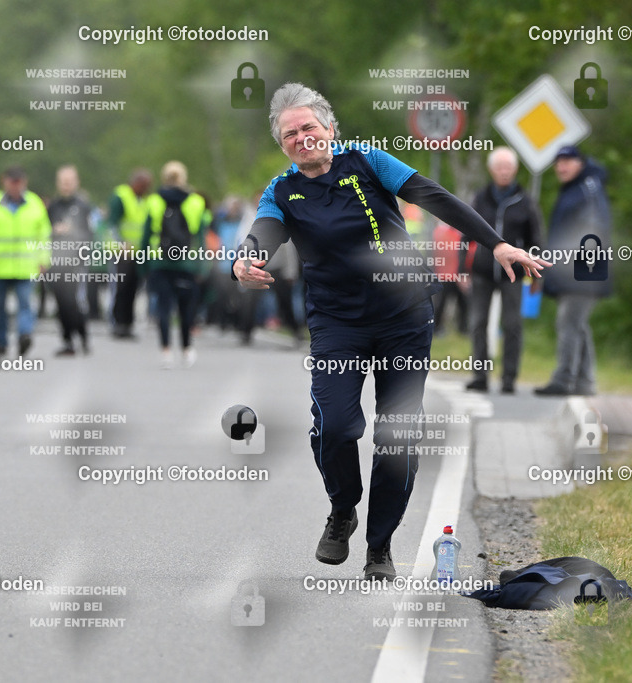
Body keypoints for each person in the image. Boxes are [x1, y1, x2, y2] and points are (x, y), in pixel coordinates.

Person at [233, 83, 549, 580]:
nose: (302, 138)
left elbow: (437, 198)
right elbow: (261, 235)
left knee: (397, 436)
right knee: (336, 427)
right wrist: (244, 261)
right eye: (291, 134)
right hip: (337, 323)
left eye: (309, 128)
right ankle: (343, 509)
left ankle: (379, 547)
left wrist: (497, 245)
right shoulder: (283, 191)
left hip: (404, 317)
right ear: (284, 145)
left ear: (330, 129)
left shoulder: (368, 162)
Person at [464, 147, 544, 394]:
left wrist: (536, 273)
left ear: (515, 169)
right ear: (491, 170)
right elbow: (465, 235)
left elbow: (536, 240)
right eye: (499, 166)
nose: (504, 171)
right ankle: (480, 375)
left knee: (512, 325)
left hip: (513, 274)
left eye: (508, 167)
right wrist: (461, 270)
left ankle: (509, 378)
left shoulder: (526, 202)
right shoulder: (480, 198)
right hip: (482, 272)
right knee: (478, 323)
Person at [535, 145, 612, 396]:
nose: (561, 166)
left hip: (583, 269)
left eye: (568, 161)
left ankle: (564, 380)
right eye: (558, 162)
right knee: (577, 324)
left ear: (581, 162)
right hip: (572, 267)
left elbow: (595, 226)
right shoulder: (574, 189)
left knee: (568, 323)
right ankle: (585, 382)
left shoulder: (588, 188)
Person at [0, 166, 51, 355]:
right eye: (11, 182)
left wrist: (43, 259)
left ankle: (24, 334)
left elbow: (43, 235)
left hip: (26, 267)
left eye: (18, 182)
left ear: (24, 182)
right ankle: (1, 341)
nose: (15, 186)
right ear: (4, 182)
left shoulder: (34, 204)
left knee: (25, 304)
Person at [142, 161, 210, 368]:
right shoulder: (195, 202)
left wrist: (144, 264)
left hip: (160, 261)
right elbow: (200, 236)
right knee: (186, 308)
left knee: (163, 307)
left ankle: (166, 351)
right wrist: (201, 264)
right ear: (183, 178)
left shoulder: (154, 201)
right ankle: (187, 349)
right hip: (185, 262)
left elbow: (146, 235)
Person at [46, 165, 94, 356]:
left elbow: (89, 235)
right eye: (63, 181)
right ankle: (67, 340)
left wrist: (73, 234)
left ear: (76, 183)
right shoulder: (53, 206)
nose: (66, 185)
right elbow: (44, 231)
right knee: (60, 303)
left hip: (75, 262)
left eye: (69, 181)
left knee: (73, 301)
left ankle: (82, 335)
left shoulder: (83, 207)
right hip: (56, 262)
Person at [108, 168, 154, 339]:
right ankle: (117, 322)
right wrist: (121, 244)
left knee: (133, 289)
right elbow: (112, 224)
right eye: (144, 185)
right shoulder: (120, 196)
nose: (146, 189)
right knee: (121, 288)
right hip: (121, 252)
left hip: (137, 253)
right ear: (136, 183)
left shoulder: (144, 201)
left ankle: (128, 324)